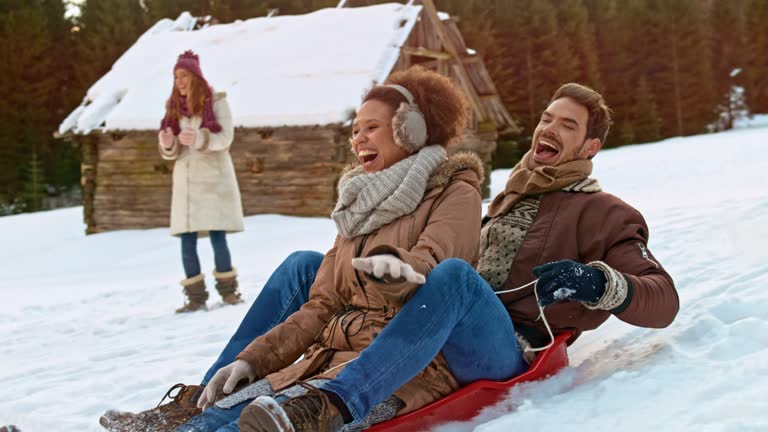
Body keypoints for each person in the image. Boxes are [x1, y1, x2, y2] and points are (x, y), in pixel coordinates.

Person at [228, 82, 679, 432]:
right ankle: (214, 390)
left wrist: (596, 283)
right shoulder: (513, 196)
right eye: (547, 118)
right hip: (443, 323)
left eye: (567, 125)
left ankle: (333, 404)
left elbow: (662, 299)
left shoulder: (606, 213)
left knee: (457, 277)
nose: (549, 129)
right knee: (306, 266)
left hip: (506, 348)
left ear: (589, 148)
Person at [99, 66, 485, 432]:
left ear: (410, 132)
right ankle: (190, 410)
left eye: (372, 128)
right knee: (220, 412)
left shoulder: (454, 193)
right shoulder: (359, 207)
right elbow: (321, 305)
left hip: (395, 371)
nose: (359, 140)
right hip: (325, 360)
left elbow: (433, 269)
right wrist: (252, 360)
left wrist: (401, 272)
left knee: (246, 426)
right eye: (355, 131)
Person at [158, 50, 245, 313]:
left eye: (183, 75)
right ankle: (195, 298)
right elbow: (171, 150)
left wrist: (199, 138)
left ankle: (229, 293)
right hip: (185, 183)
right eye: (176, 77)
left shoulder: (217, 103)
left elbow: (226, 137)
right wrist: (168, 144)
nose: (179, 81)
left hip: (213, 181)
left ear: (195, 76)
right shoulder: (172, 108)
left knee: (218, 236)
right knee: (187, 239)